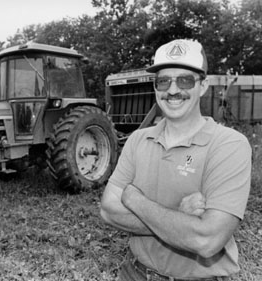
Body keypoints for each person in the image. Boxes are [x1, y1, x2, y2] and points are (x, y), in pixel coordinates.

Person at [100, 39, 251, 281]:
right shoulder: (138, 140)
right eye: (163, 81)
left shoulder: (229, 145)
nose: (172, 90)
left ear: (203, 85)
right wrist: (178, 216)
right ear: (156, 87)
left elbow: (207, 239)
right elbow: (108, 211)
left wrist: (133, 198)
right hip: (134, 273)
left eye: (185, 80)